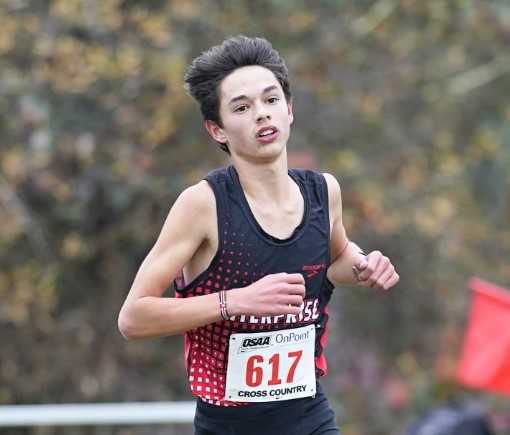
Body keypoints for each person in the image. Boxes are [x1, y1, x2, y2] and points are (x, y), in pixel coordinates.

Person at [118, 35, 400, 435]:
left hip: (309, 415)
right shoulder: (203, 205)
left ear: (290, 111)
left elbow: (334, 263)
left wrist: (363, 267)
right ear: (217, 130)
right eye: (242, 107)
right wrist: (234, 302)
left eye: (270, 101)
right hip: (228, 424)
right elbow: (134, 317)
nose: (261, 115)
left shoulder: (324, 192)